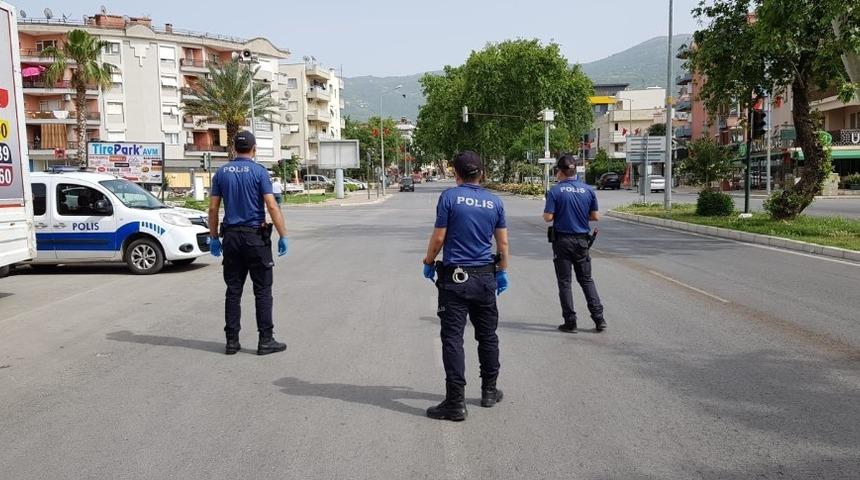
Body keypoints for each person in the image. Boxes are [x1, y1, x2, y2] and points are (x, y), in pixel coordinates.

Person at [422, 150, 509, 422]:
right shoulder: (495, 202)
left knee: (452, 339)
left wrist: (428, 260)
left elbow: (439, 238)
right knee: (487, 335)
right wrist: (502, 273)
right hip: (485, 278)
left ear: (455, 173)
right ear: (481, 173)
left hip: (456, 280)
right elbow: (503, 244)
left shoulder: (449, 197)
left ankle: (456, 402)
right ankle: (489, 391)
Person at [208, 131, 290, 356]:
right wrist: (283, 235)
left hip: (231, 238)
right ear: (254, 149)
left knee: (233, 291)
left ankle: (231, 342)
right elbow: (272, 206)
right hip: (255, 237)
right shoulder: (259, 172)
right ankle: (265, 340)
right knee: (262, 290)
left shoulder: (221, 173)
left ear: (234, 149)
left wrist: (214, 237)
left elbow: (214, 208)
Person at [543, 154, 606, 334]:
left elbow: (548, 217)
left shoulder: (556, 191)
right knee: (586, 280)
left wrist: (561, 214)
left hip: (562, 241)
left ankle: (570, 322)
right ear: (575, 170)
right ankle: (599, 319)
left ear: (559, 172)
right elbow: (595, 216)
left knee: (565, 282)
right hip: (582, 240)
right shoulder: (588, 190)